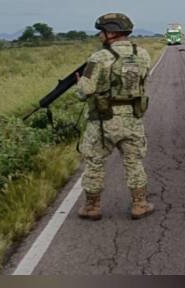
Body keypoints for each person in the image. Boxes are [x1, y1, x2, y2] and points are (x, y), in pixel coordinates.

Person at [75, 13, 154, 220]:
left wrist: (80, 84)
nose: (99, 36)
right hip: (133, 119)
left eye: (101, 32)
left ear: (111, 33)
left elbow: (85, 91)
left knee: (94, 162)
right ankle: (140, 204)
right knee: (134, 162)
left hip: (103, 120)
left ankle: (92, 207)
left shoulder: (98, 57)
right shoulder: (143, 54)